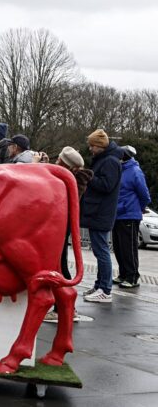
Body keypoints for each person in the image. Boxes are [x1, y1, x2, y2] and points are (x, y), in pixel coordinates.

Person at [44, 146, 94, 323]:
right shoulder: (73, 179)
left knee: (60, 266)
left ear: (68, 166)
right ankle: (64, 308)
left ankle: (64, 309)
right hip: (60, 226)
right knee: (59, 265)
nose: (56, 162)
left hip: (60, 226)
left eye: (59, 161)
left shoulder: (72, 181)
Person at [81, 129, 123, 303]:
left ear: (100, 145)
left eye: (92, 145)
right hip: (98, 212)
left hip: (100, 213)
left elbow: (106, 185)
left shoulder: (110, 161)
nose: (90, 149)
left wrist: (89, 177)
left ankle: (105, 290)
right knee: (100, 251)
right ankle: (100, 286)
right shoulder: (107, 159)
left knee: (102, 252)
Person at [113, 145, 151, 289]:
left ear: (124, 156)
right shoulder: (121, 170)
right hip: (118, 214)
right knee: (119, 247)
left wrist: (138, 208)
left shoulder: (135, 171)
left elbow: (144, 195)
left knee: (128, 247)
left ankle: (133, 276)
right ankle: (123, 274)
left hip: (129, 215)